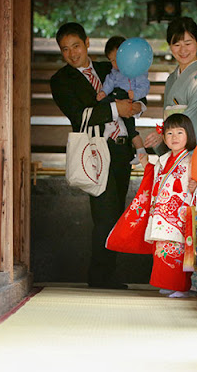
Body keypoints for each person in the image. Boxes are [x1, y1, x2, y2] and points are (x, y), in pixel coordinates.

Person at [50, 22, 142, 290]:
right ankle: (100, 276)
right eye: (65, 49)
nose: (72, 53)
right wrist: (116, 109)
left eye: (76, 46)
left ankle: (107, 273)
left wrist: (135, 106)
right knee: (104, 215)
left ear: (87, 43)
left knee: (116, 214)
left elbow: (130, 95)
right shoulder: (60, 80)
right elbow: (79, 116)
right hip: (95, 153)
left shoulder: (107, 69)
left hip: (121, 150)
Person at [141, 114, 197, 297]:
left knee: (182, 249)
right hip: (164, 215)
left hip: (184, 214)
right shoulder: (163, 160)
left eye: (179, 132)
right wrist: (145, 164)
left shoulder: (195, 159)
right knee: (164, 250)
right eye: (169, 133)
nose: (174, 137)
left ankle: (183, 287)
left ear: (188, 135)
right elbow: (154, 180)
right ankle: (170, 284)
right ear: (164, 138)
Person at [143, 16, 197, 153]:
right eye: (177, 45)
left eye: (188, 43)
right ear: (170, 47)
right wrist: (165, 135)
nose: (183, 50)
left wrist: (165, 135)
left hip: (195, 151)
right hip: (174, 149)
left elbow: (194, 119)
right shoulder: (172, 79)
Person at [97, 36, 150, 165]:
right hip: (115, 96)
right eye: (111, 61)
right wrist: (103, 92)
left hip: (128, 98)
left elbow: (145, 87)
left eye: (117, 60)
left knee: (131, 129)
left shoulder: (137, 71)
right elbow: (109, 82)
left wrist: (135, 95)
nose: (115, 64)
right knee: (104, 103)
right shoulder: (114, 72)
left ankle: (141, 151)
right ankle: (109, 127)